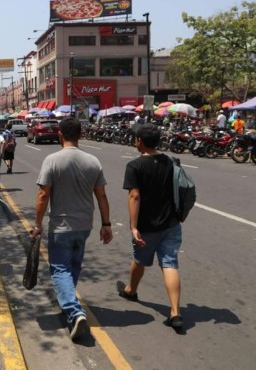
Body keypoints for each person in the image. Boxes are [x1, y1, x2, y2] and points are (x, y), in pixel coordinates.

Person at [30, 117, 113, 340]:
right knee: (73, 265)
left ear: (60, 135)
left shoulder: (52, 160)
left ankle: (75, 312)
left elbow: (43, 194)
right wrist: (106, 224)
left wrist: (37, 224)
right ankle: (70, 307)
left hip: (61, 225)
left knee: (59, 269)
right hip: (85, 224)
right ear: (80, 135)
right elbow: (102, 195)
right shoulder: (93, 161)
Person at [119, 123, 184, 330]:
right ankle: (175, 312)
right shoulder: (171, 162)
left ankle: (131, 290)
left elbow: (134, 195)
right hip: (171, 223)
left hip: (147, 225)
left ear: (139, 141)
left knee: (139, 259)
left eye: (136, 138)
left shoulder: (135, 166)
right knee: (170, 264)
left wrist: (133, 226)